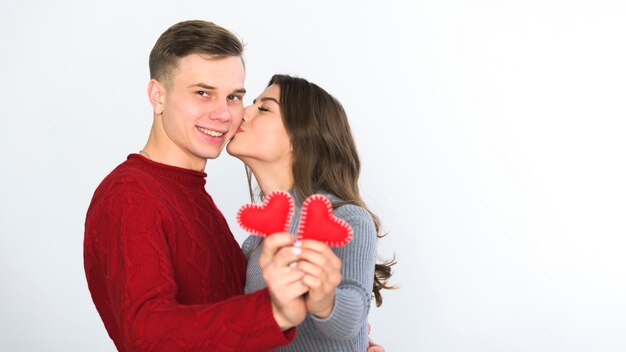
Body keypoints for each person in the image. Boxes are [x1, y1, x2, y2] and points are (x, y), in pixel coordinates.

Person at [83, 20, 309, 351]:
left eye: (233, 97)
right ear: (157, 96)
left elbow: (233, 324)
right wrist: (273, 313)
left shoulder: (192, 194)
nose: (223, 114)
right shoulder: (129, 195)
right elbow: (146, 334)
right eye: (203, 93)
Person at [227, 74, 395, 351]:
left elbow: (352, 316)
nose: (243, 112)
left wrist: (324, 299)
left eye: (264, 108)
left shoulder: (346, 217)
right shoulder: (254, 242)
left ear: (300, 137)